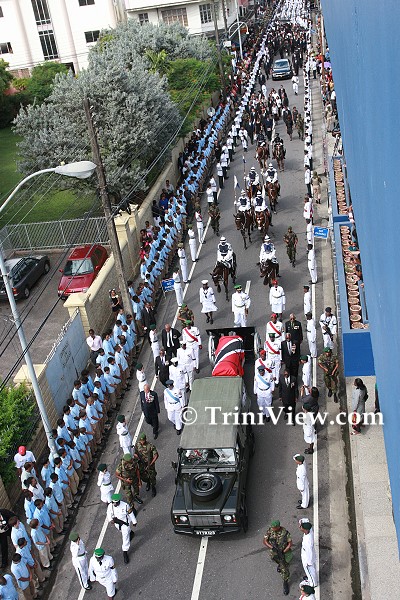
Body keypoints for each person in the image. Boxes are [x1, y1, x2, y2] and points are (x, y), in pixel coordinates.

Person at [263, 520, 293, 596]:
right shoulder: (270, 531)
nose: (272, 528)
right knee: (276, 560)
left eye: (274, 527)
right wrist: (272, 547)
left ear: (278, 527)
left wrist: (284, 551)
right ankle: (279, 564)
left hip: (282, 553)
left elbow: (290, 543)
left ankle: (285, 581)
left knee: (284, 568)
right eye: (272, 527)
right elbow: (265, 541)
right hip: (274, 553)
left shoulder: (285, 533)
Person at [107, 494, 137, 564]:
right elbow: (109, 513)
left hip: (125, 523)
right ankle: (131, 533)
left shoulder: (125, 505)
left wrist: (134, 521)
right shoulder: (110, 506)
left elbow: (131, 513)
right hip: (117, 524)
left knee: (125, 537)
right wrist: (110, 520)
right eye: (113, 502)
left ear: (119, 501)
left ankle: (125, 552)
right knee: (124, 532)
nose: (115, 504)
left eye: (116, 503)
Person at [135, 433, 159, 497]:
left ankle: (153, 487)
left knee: (152, 476)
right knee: (143, 476)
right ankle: (148, 482)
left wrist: (150, 463)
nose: (142, 442)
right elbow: (135, 453)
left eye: (143, 440)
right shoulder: (137, 445)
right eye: (140, 440)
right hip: (141, 464)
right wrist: (137, 457)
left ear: (145, 439)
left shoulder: (150, 446)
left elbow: (156, 455)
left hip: (149, 464)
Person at [299, 521, 318, 587]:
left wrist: (308, 562)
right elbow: (305, 520)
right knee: (311, 571)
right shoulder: (310, 530)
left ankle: (312, 583)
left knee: (309, 570)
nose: (300, 528)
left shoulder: (308, 541)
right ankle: (311, 579)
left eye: (301, 527)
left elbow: (309, 552)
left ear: (306, 530)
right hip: (306, 552)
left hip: (307, 557)